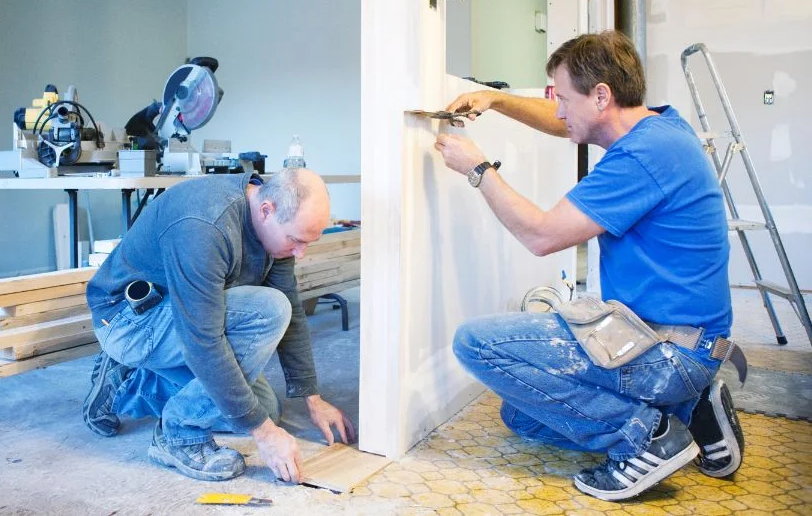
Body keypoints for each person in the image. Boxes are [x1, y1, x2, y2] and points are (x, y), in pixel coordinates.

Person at [433, 30, 744, 502]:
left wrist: (478, 169)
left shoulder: (641, 156)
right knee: (522, 416)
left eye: (563, 98)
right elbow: (569, 124)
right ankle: (689, 411)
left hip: (667, 349)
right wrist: (496, 99)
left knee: (475, 344)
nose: (558, 111)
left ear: (601, 96)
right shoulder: (659, 128)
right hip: (673, 337)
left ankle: (649, 436)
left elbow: (541, 236)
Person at [82, 168, 356, 483]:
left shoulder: (275, 229)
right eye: (295, 240)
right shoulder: (204, 225)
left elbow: (293, 311)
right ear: (267, 210)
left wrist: (312, 398)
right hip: (129, 321)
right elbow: (202, 341)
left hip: (182, 316)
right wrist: (265, 435)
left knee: (263, 408)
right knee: (268, 311)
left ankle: (131, 383)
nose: (300, 253)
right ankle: (178, 434)